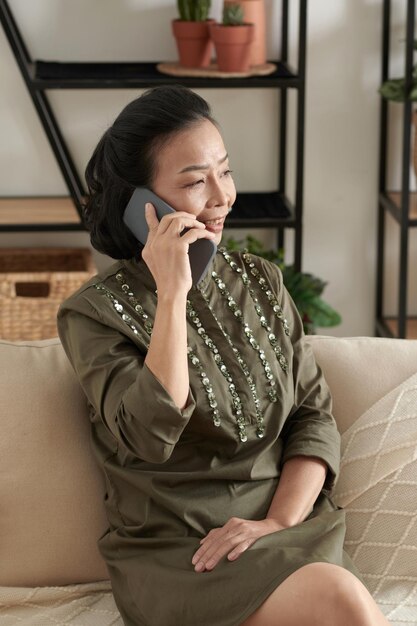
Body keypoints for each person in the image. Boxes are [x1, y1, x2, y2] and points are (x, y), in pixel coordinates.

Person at [57, 85, 390, 626]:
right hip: (180, 554)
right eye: (194, 182)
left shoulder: (261, 282)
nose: (222, 196)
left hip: (288, 529)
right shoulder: (93, 315)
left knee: (337, 594)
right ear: (144, 206)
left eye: (226, 172)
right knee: (343, 602)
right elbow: (147, 434)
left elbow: (312, 418)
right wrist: (172, 294)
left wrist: (278, 523)